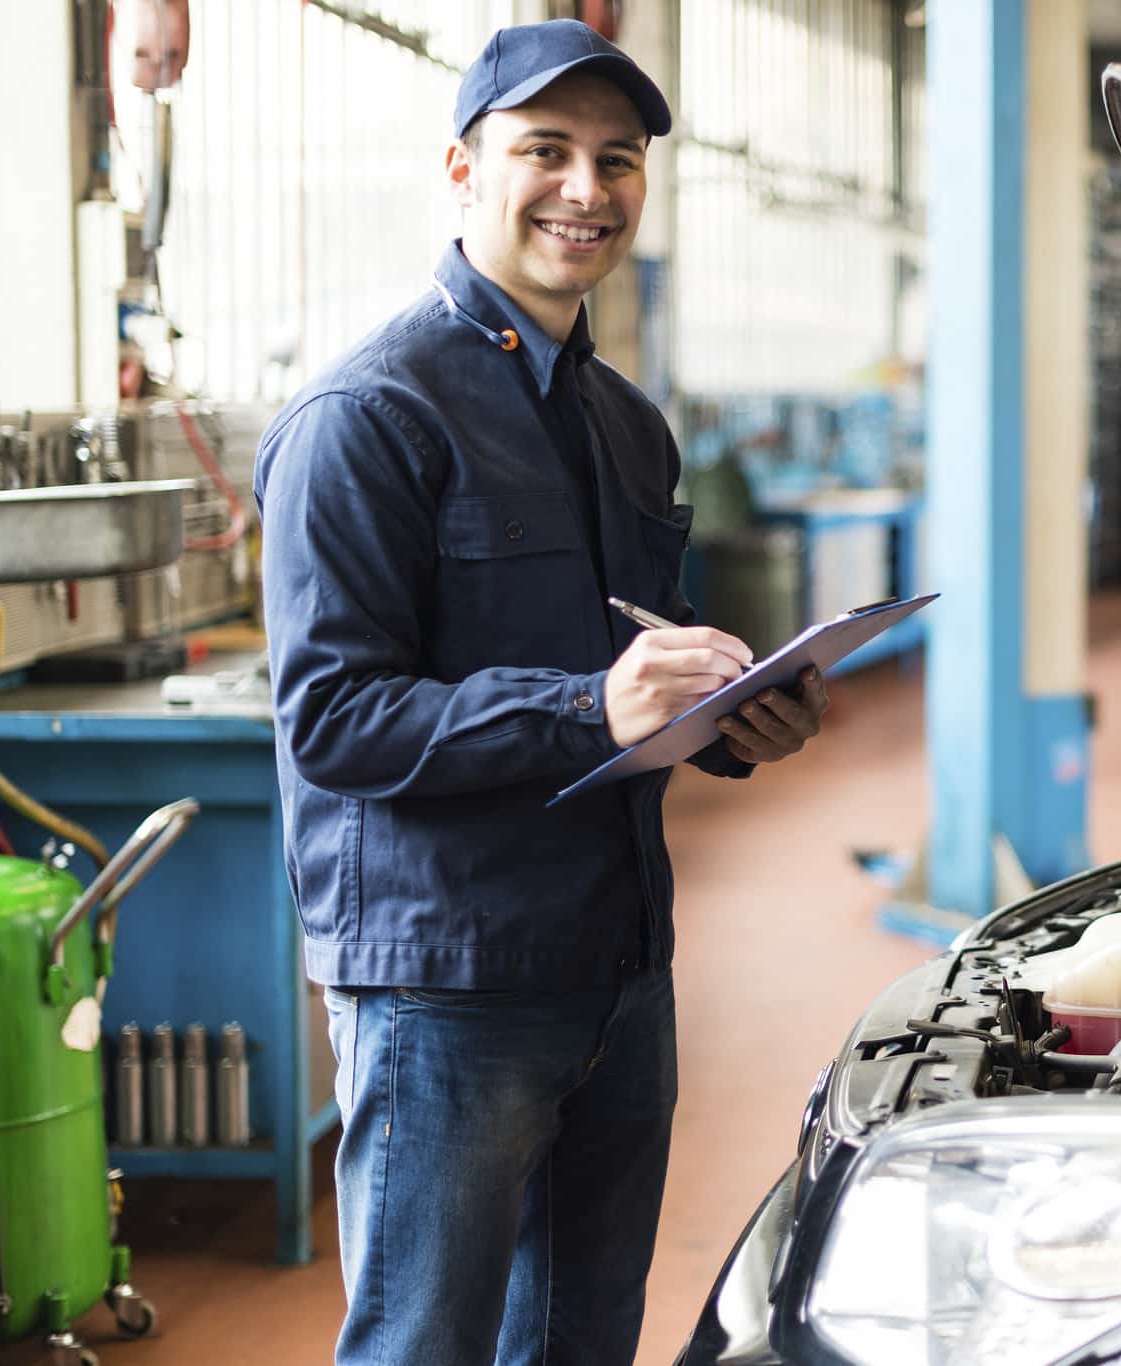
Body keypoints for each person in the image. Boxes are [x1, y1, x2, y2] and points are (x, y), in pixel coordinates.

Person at [253, 20, 829, 1364]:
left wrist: (741, 719)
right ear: (463, 170)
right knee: (424, 1342)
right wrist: (585, 706)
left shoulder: (625, 420)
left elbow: (649, 652)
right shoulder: (367, 418)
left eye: (617, 160)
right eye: (547, 151)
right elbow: (333, 718)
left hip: (621, 969)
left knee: (584, 1336)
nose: (588, 187)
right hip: (451, 987)